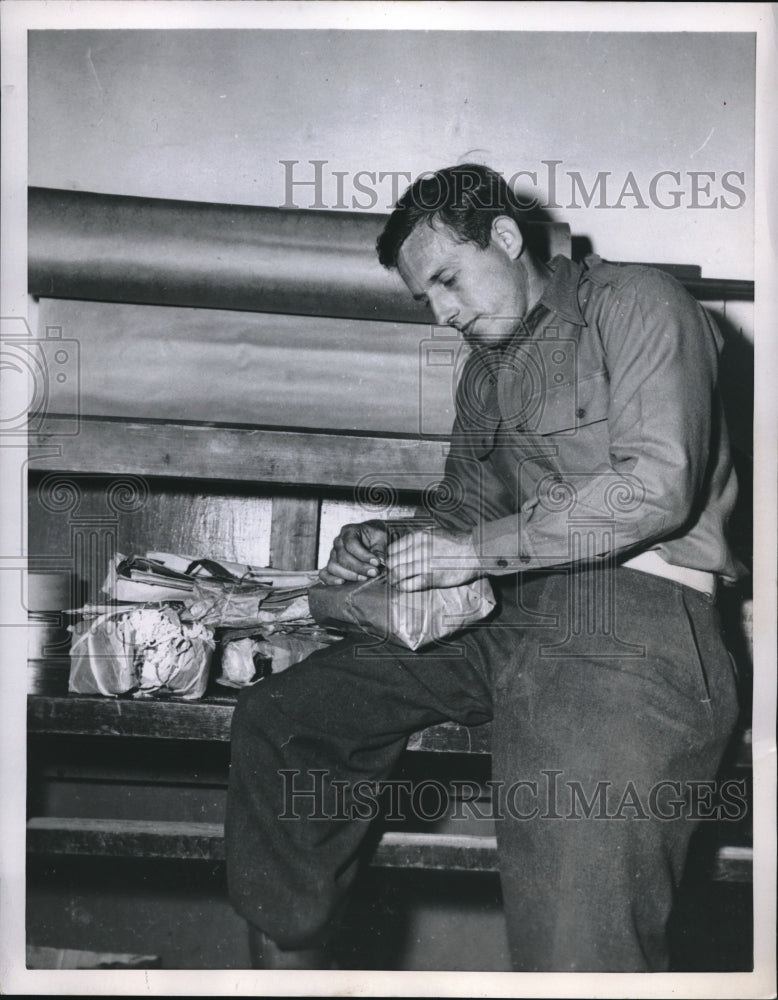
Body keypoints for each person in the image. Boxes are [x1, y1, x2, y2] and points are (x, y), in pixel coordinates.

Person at [225, 163, 741, 972]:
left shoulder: (637, 302)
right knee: (285, 719)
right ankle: (294, 965)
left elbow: (655, 487)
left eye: (447, 280)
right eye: (425, 298)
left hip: (635, 621)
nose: (442, 313)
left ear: (504, 237)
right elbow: (467, 512)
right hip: (504, 616)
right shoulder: (485, 371)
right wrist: (390, 539)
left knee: (576, 924)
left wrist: (471, 551)